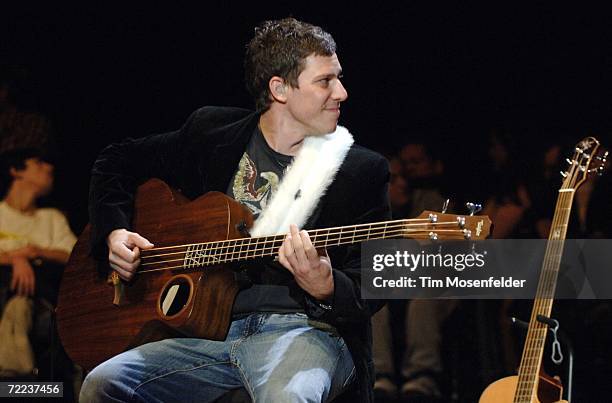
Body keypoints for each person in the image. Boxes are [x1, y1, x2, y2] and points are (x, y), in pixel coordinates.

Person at [79, 17, 390, 403]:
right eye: (325, 81)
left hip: (303, 331)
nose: (341, 92)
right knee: (101, 385)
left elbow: (377, 279)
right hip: (206, 333)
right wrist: (114, 232)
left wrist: (326, 284)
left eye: (338, 77)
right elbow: (116, 161)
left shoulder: (360, 170)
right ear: (279, 89)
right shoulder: (211, 133)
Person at [0, 148, 77, 376]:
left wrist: (35, 251)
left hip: (40, 303)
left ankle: (13, 381)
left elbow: (73, 255)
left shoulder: (51, 218)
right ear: (16, 171)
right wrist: (15, 257)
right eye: (39, 162)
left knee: (21, 306)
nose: (49, 167)